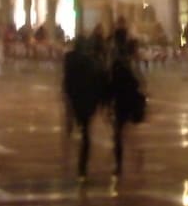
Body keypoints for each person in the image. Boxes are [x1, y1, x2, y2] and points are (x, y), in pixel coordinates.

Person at [62, 38, 108, 181]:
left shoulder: (71, 61)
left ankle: (81, 166)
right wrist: (103, 102)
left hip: (77, 98)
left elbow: (67, 82)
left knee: (83, 128)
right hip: (88, 100)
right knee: (85, 131)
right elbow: (101, 81)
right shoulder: (93, 62)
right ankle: (82, 167)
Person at [109, 39, 145, 178]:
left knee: (120, 132)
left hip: (121, 101)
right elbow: (138, 82)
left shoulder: (123, 64)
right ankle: (126, 159)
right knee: (122, 131)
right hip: (127, 101)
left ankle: (120, 163)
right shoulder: (129, 65)